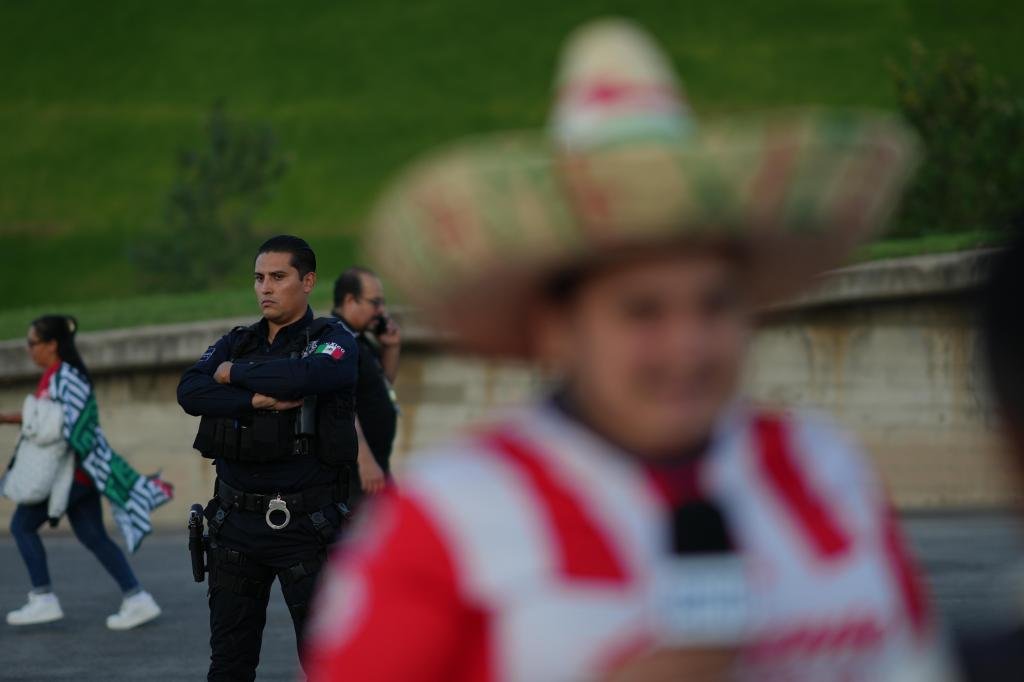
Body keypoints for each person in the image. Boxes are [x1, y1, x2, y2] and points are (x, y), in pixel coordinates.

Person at [304, 18, 941, 681]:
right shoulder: (447, 521)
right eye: (643, 312)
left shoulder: (825, 470)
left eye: (715, 304)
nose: (688, 347)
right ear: (556, 327)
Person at [176, 235, 358, 681]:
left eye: (278, 277)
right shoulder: (237, 341)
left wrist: (234, 375)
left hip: (307, 528)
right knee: (229, 666)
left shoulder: (331, 340)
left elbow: (308, 374)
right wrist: (253, 400)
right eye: (259, 278)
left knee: (328, 665)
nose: (265, 288)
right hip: (235, 526)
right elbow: (190, 390)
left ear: (308, 281)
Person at [2, 315, 169, 629]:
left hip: (71, 474)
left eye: (32, 343)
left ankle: (43, 598)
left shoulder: (65, 377)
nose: (28, 349)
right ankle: (138, 599)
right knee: (93, 535)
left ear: (52, 344)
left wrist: (16, 420)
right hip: (80, 473)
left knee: (22, 526)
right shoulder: (58, 376)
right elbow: (50, 418)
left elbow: (65, 426)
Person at [332, 267, 401, 503]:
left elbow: (382, 387)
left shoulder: (359, 339)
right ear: (350, 300)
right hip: (357, 474)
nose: (381, 311)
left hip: (376, 464)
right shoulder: (338, 340)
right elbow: (339, 402)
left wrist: (391, 347)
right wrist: (364, 459)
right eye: (375, 303)